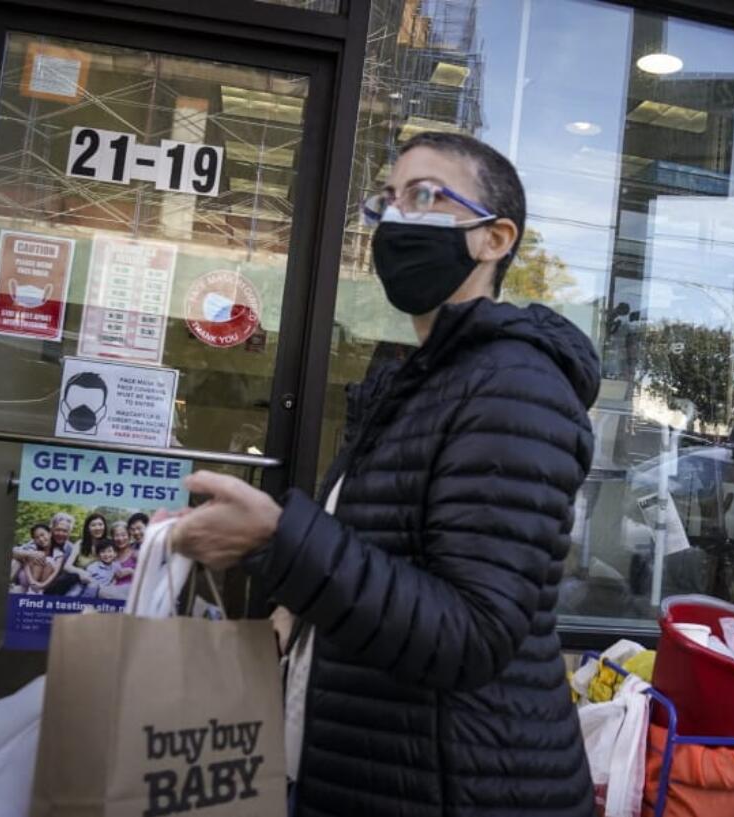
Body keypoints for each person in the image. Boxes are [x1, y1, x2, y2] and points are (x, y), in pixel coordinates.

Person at [165, 131, 596, 817]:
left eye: (425, 195)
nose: (397, 217)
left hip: (458, 785)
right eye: (388, 200)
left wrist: (276, 540)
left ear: (495, 239)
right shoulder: (418, 380)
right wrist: (288, 609)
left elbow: (473, 631)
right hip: (374, 764)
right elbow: (378, 553)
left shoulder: (516, 387)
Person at [45, 512, 107, 596]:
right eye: (93, 525)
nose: (97, 528)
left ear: (105, 526)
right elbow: (67, 566)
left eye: (100, 524)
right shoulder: (80, 543)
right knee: (71, 595)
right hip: (80, 580)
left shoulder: (109, 545)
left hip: (99, 582)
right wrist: (81, 572)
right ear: (87, 528)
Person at [10, 524, 63, 593]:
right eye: (37, 537)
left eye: (42, 535)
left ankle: (36, 592)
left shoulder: (58, 552)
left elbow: (55, 573)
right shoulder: (32, 548)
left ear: (50, 534)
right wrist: (32, 583)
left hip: (43, 586)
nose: (41, 539)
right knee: (37, 556)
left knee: (48, 560)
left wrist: (41, 585)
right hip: (26, 582)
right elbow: (21, 558)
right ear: (34, 540)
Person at [99, 521, 135, 600]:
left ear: (129, 536)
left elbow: (146, 578)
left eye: (123, 535)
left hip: (130, 591)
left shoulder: (135, 553)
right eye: (116, 535)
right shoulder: (109, 555)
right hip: (111, 592)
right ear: (112, 537)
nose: (120, 539)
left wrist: (131, 571)